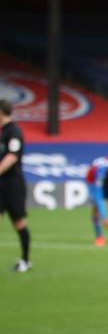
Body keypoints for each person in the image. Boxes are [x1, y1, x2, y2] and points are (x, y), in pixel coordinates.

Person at [0, 99, 31, 272]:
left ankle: (25, 260)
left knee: (18, 222)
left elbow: (12, 157)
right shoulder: (4, 131)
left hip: (13, 184)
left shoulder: (13, 131)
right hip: (2, 182)